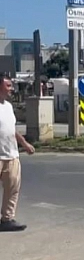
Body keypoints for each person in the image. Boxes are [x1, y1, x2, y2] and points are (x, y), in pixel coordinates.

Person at [0, 74, 34, 232]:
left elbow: (11, 129)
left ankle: (7, 219)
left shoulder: (8, 106)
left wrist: (24, 143)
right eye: (8, 86)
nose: (11, 89)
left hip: (11, 154)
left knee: (13, 188)